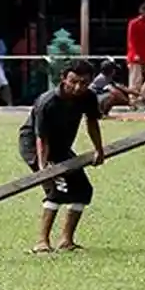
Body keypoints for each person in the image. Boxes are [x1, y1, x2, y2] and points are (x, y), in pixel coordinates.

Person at [18, 60, 105, 254]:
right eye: (73, 81)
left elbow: (92, 122)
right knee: (56, 189)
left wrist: (99, 149)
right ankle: (41, 242)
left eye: (84, 82)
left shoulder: (88, 97)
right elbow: (42, 137)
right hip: (34, 145)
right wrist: (42, 167)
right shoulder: (47, 102)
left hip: (61, 145)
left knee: (83, 190)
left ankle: (66, 241)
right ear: (63, 79)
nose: (78, 87)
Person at [126, 3, 145, 108]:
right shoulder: (134, 23)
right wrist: (134, 54)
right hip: (136, 56)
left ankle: (141, 97)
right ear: (142, 11)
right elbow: (131, 40)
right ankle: (133, 102)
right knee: (136, 80)